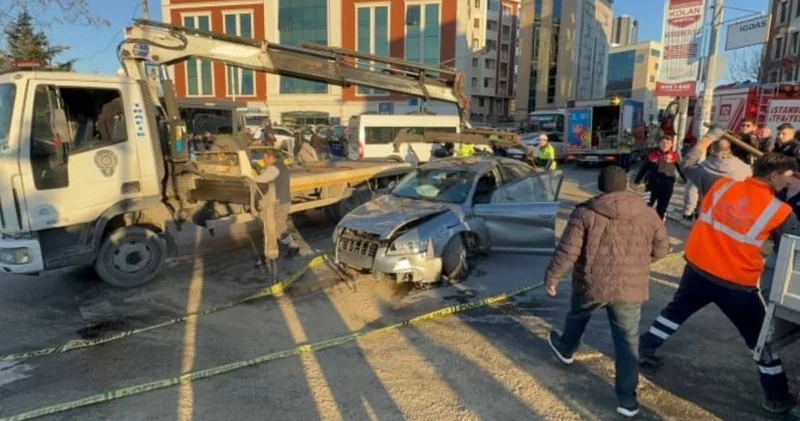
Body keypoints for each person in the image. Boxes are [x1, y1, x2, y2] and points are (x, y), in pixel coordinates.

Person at [639, 128, 800, 415]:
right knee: (759, 340)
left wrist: (706, 139)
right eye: (788, 177)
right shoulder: (780, 211)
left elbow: (687, 165)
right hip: (737, 286)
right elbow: (794, 248)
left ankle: (644, 348)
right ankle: (777, 395)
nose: (790, 182)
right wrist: (796, 197)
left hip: (698, 269)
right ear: (774, 176)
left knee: (674, 312)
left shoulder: (721, 184)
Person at [545, 165, 670, 418]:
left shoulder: (585, 213)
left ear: (600, 187)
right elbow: (662, 249)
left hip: (592, 284)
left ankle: (566, 349)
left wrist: (552, 276)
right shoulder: (648, 214)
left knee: (577, 316)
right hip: (630, 290)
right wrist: (640, 264)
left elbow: (568, 250)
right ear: (625, 186)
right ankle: (627, 401)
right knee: (627, 343)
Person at [251, 149, 299, 269]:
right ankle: (289, 247)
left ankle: (290, 247)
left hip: (279, 202)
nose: (264, 160)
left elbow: (260, 180)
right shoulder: (280, 166)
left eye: (265, 157)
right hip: (282, 201)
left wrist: (249, 178)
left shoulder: (274, 168)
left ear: (271, 157)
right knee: (277, 227)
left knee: (276, 228)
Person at [682, 138, 752, 222]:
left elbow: (691, 190)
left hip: (706, 213)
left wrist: (688, 210)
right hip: (731, 214)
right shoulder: (743, 168)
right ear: (729, 150)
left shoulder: (702, 168)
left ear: (712, 150)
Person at [634, 135, 686, 221]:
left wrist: (686, 179)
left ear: (671, 145)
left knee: (661, 210)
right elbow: (644, 168)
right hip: (651, 186)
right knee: (646, 207)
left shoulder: (674, 156)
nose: (665, 145)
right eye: (663, 142)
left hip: (666, 186)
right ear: (659, 143)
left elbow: (681, 169)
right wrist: (637, 180)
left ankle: (659, 227)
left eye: (668, 143)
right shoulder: (652, 155)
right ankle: (644, 225)